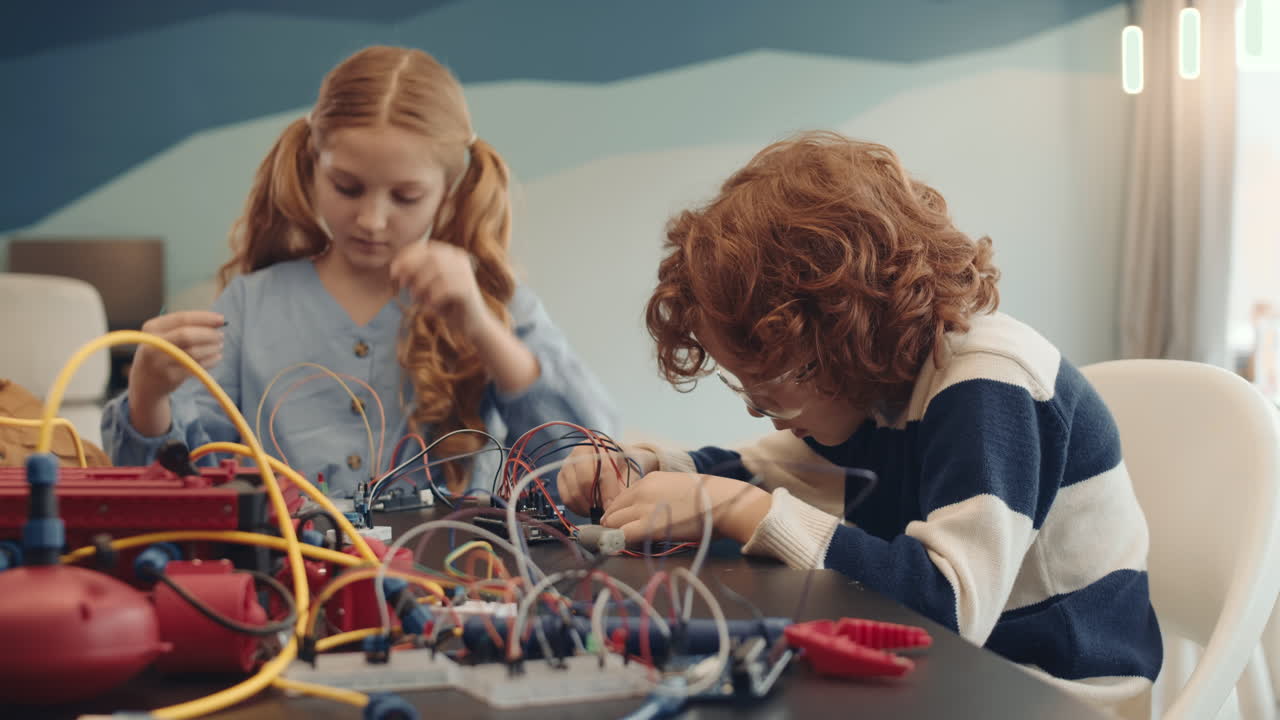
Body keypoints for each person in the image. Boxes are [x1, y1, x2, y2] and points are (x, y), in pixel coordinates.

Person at [558, 131, 1161, 708]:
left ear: (837, 340)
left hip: (1057, 695)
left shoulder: (988, 380)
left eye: (769, 393)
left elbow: (949, 607)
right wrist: (646, 469)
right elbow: (764, 470)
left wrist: (735, 508)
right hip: (970, 681)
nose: (769, 421)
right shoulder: (881, 394)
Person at [103, 46, 618, 497]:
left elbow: (592, 467)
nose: (371, 220)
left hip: (448, 588)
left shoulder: (493, 302)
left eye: (406, 197)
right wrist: (149, 396)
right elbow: (175, 490)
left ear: (449, 189)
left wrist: (482, 329)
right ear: (311, 166)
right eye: (347, 188)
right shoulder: (250, 304)